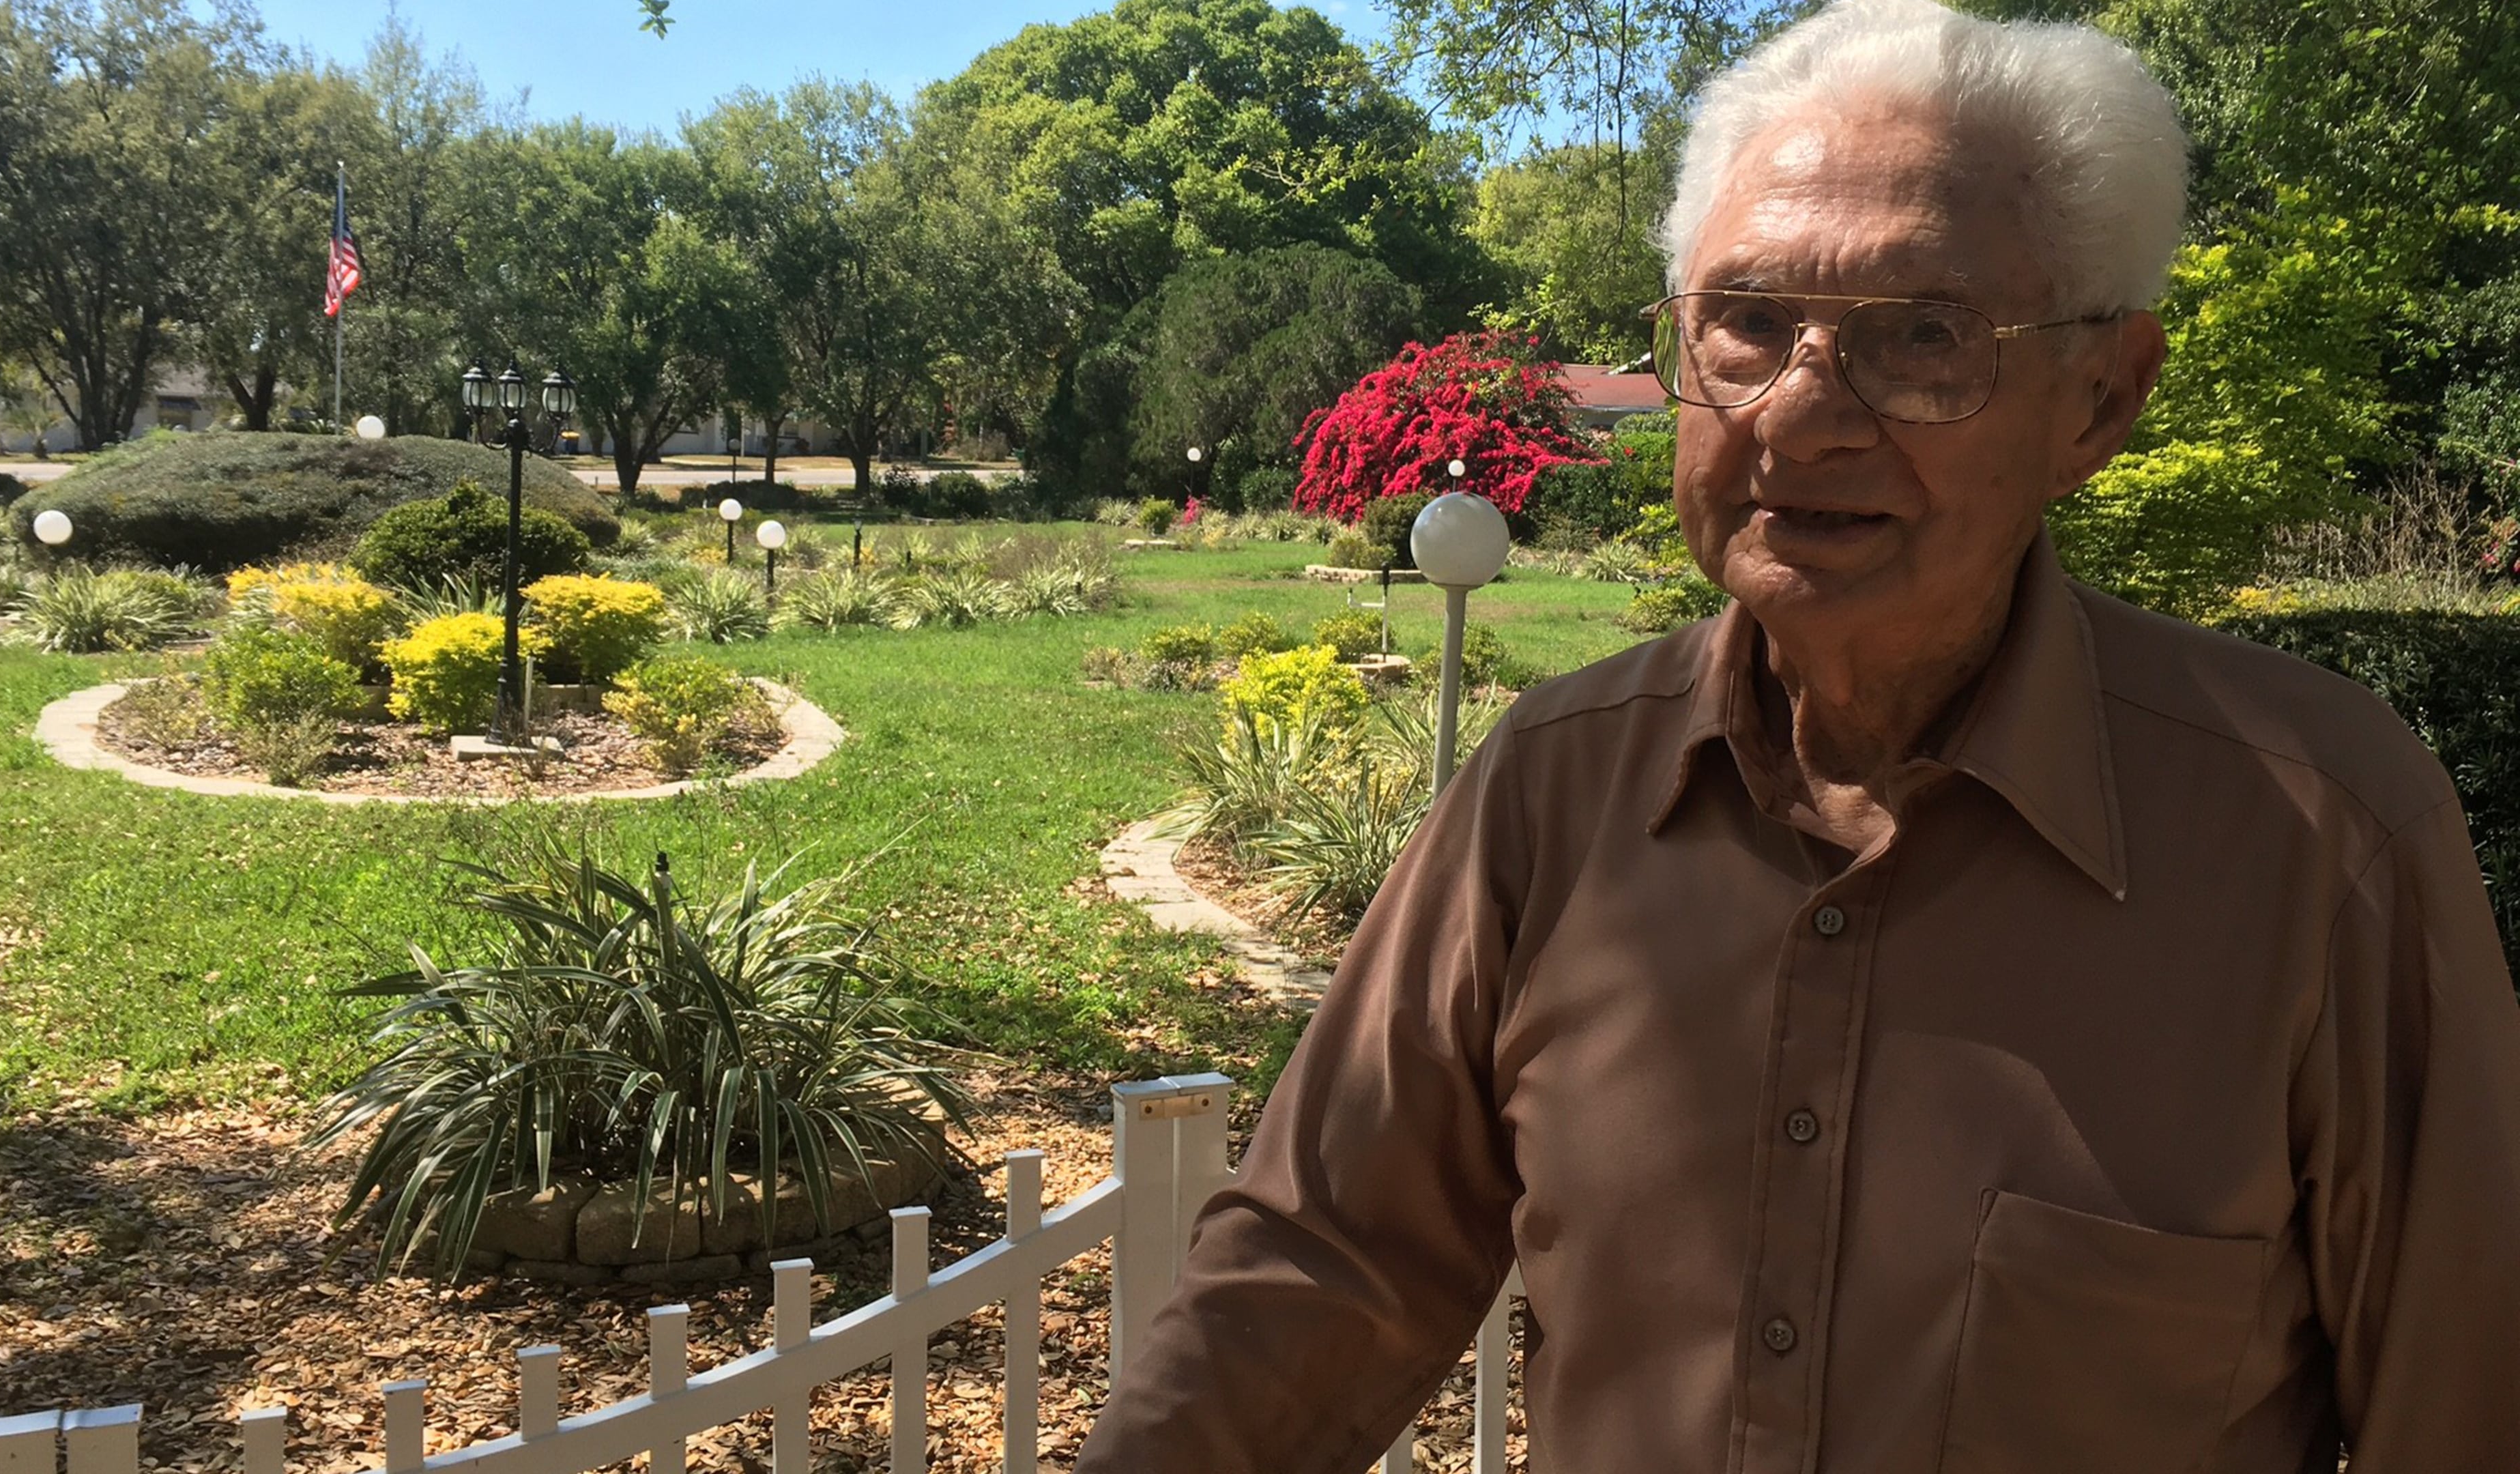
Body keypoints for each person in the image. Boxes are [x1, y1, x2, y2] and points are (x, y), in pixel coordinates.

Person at [1076, 1, 2520, 1469]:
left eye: (1923, 341)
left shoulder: (2317, 835)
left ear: (2101, 399)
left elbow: (2465, 1406)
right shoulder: (1559, 786)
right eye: (1749, 325)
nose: (1804, 415)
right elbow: (1326, 1271)